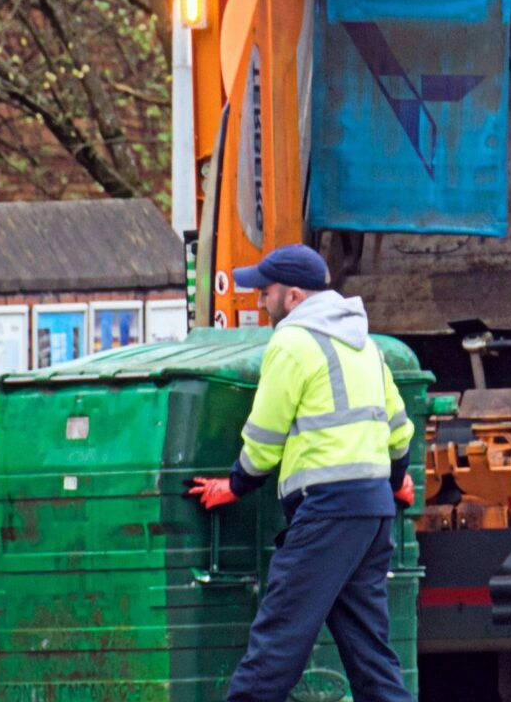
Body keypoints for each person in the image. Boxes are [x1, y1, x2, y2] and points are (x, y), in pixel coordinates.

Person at [184, 244, 415, 702]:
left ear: (292, 296)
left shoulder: (291, 342)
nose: (259, 301)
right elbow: (399, 430)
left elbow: (266, 433)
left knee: (277, 644)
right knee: (372, 660)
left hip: (327, 513)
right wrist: (393, 482)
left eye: (264, 292)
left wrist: (236, 483)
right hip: (372, 515)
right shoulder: (363, 344)